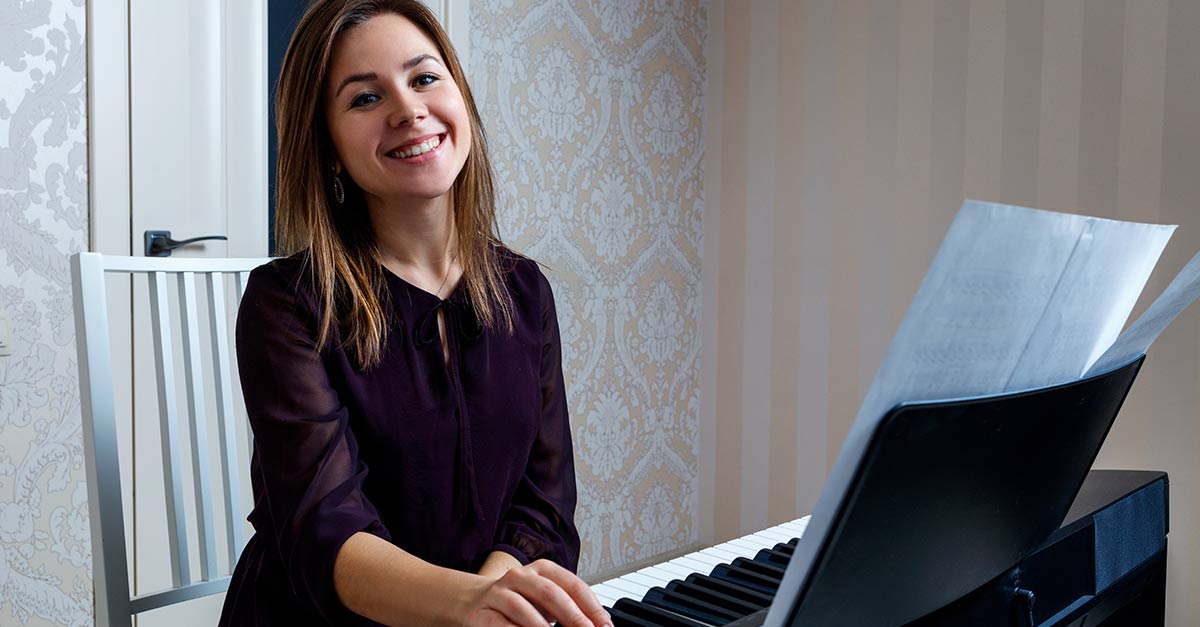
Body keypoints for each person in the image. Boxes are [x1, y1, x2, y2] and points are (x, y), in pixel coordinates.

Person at [217, 2, 611, 626]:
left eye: (424, 78)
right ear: (329, 149)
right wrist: (468, 605)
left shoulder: (525, 289)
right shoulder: (286, 305)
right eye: (365, 98)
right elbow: (328, 530)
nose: (407, 109)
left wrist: (489, 600)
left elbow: (545, 507)